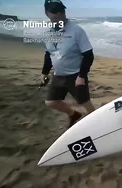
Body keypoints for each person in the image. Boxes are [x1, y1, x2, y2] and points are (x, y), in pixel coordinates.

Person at [41, 0, 95, 128]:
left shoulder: (76, 31)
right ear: (47, 13)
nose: (58, 14)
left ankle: (99, 127)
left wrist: (81, 76)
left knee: (87, 105)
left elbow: (88, 55)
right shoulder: (48, 33)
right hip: (58, 75)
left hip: (75, 75)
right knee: (50, 102)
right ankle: (73, 114)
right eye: (54, 11)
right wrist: (44, 72)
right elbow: (49, 54)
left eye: (61, 10)